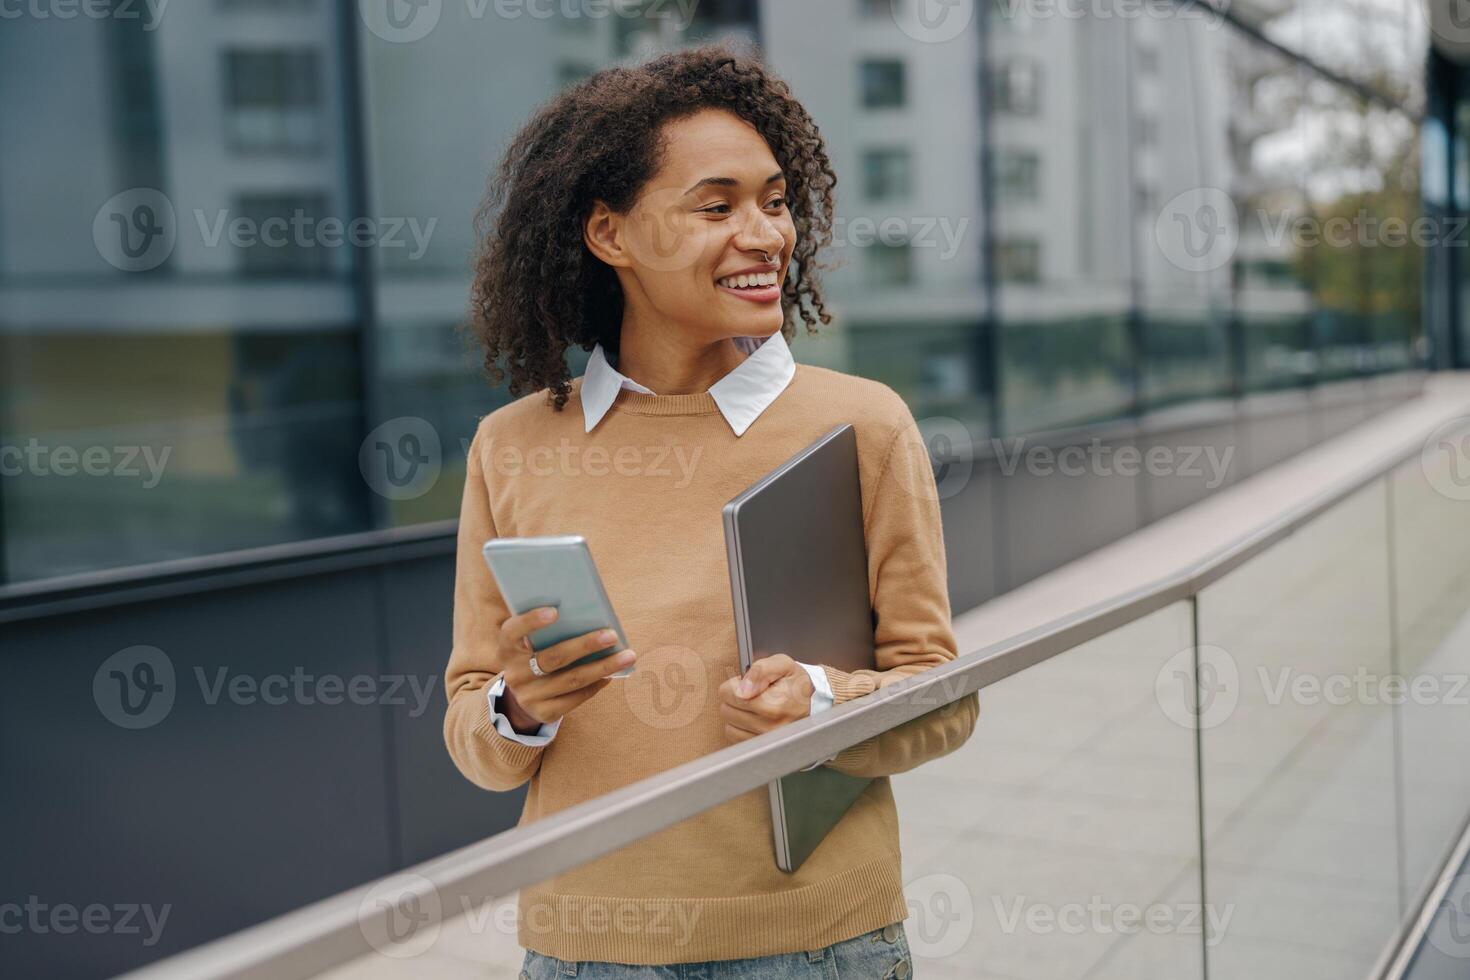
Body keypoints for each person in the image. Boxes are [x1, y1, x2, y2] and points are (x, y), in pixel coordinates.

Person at [444, 42, 979, 980]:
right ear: (609, 235)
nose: (768, 235)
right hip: (582, 952)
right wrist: (519, 706)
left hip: (812, 945)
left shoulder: (862, 424)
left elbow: (942, 698)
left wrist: (824, 701)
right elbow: (475, 739)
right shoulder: (513, 445)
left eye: (775, 202)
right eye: (717, 206)